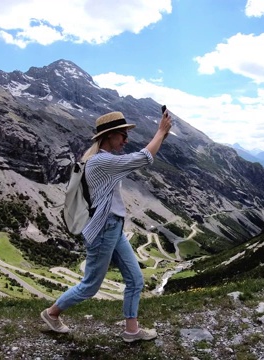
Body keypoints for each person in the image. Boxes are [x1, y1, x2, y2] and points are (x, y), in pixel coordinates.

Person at [41, 109, 172, 342]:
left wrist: (161, 136)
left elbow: (140, 158)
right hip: (103, 229)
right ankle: (52, 313)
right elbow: (142, 158)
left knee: (135, 279)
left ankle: (132, 331)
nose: (126, 139)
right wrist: (160, 132)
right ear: (110, 135)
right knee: (90, 286)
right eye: (122, 134)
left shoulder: (98, 159)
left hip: (113, 227)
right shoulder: (102, 161)